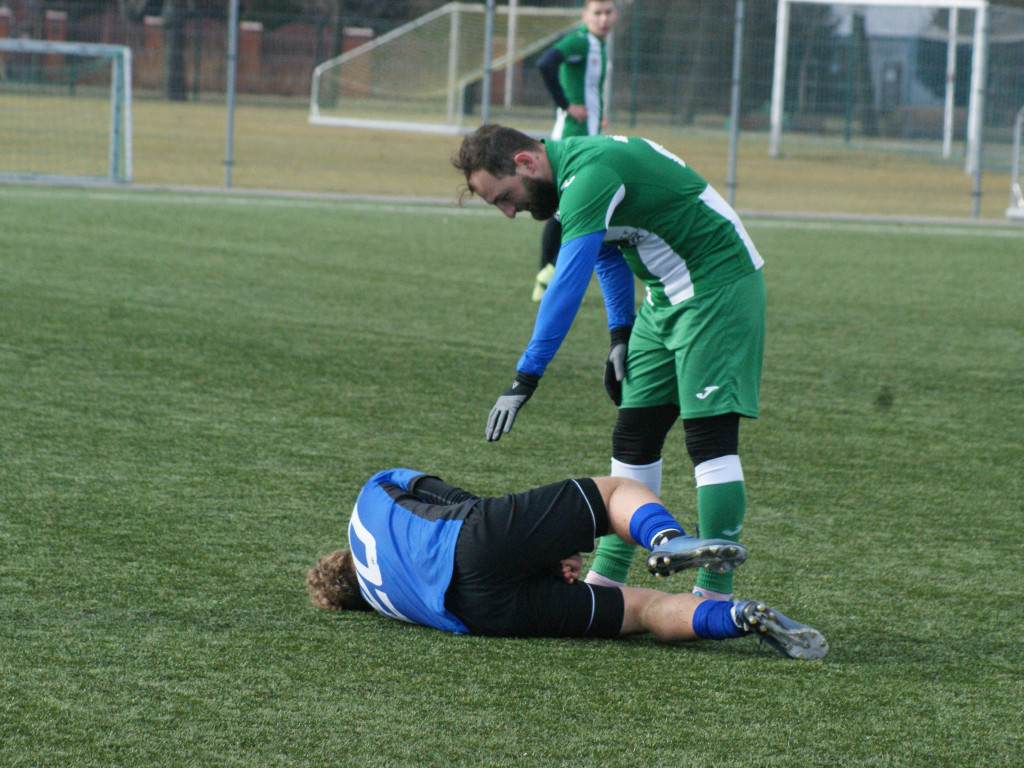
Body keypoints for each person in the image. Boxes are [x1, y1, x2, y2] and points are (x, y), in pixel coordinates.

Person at [450, 124, 766, 605]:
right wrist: (620, 333)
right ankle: (610, 577)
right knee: (634, 435)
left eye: (503, 197)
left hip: (718, 285)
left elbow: (566, 286)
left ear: (525, 163)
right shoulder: (566, 182)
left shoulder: (589, 174)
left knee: (709, 439)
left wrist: (526, 376)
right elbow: (606, 251)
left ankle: (714, 593)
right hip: (664, 297)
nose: (509, 212)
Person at [306, 468, 828, 659]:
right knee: (616, 492)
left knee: (644, 611)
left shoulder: (382, 602)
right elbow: (452, 497)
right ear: (342, 556)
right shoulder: (368, 501)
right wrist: (543, 543)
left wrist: (537, 564)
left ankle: (737, 618)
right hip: (467, 540)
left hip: (482, 615)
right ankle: (668, 537)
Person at [531, 0, 619, 301]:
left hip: (587, 137)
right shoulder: (580, 40)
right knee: (566, 212)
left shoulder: (598, 44)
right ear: (585, 15)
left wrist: (597, 116)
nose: (603, 18)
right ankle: (546, 276)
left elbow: (588, 89)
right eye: (597, 13)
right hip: (573, 141)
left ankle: (546, 278)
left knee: (567, 211)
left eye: (608, 12)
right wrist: (566, 105)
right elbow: (545, 63)